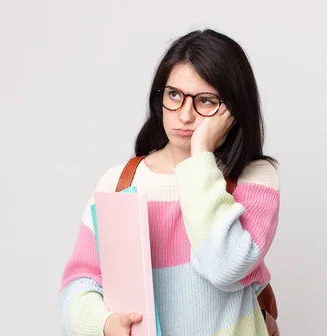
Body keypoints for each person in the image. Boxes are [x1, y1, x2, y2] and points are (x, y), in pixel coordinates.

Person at [58, 28, 281, 336]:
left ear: (232, 109)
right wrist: (105, 323)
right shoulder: (120, 183)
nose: (185, 115)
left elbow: (224, 268)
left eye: (205, 100)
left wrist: (199, 156)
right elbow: (79, 283)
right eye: (174, 95)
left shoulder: (254, 179)